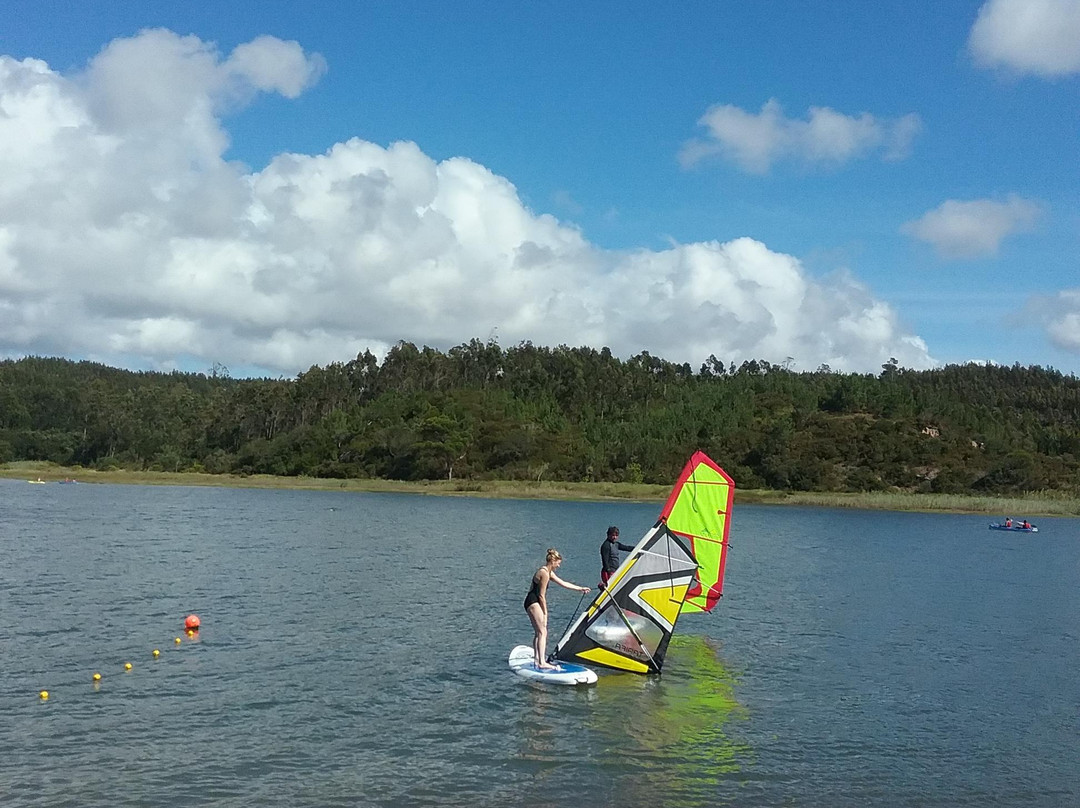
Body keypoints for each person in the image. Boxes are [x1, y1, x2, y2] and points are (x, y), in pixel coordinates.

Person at [524, 548, 590, 670]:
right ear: (553, 561)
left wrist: (580, 588)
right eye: (558, 563)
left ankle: (537, 659)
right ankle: (541, 662)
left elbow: (563, 583)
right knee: (542, 631)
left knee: (539, 631)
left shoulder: (549, 573)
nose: (559, 566)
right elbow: (541, 595)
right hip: (533, 601)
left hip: (534, 601)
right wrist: (545, 613)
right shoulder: (544, 572)